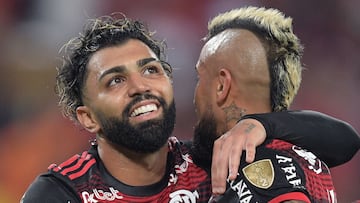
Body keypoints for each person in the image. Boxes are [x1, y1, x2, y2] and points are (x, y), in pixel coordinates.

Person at [21, 14, 359, 203]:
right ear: (88, 117)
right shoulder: (60, 193)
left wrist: (260, 125)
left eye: (151, 70)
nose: (141, 87)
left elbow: (343, 140)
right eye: (115, 81)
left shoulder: (209, 161)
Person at [191, 6, 360, 202]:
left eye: (199, 78)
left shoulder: (259, 165)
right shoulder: (297, 158)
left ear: (222, 85)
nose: (194, 95)